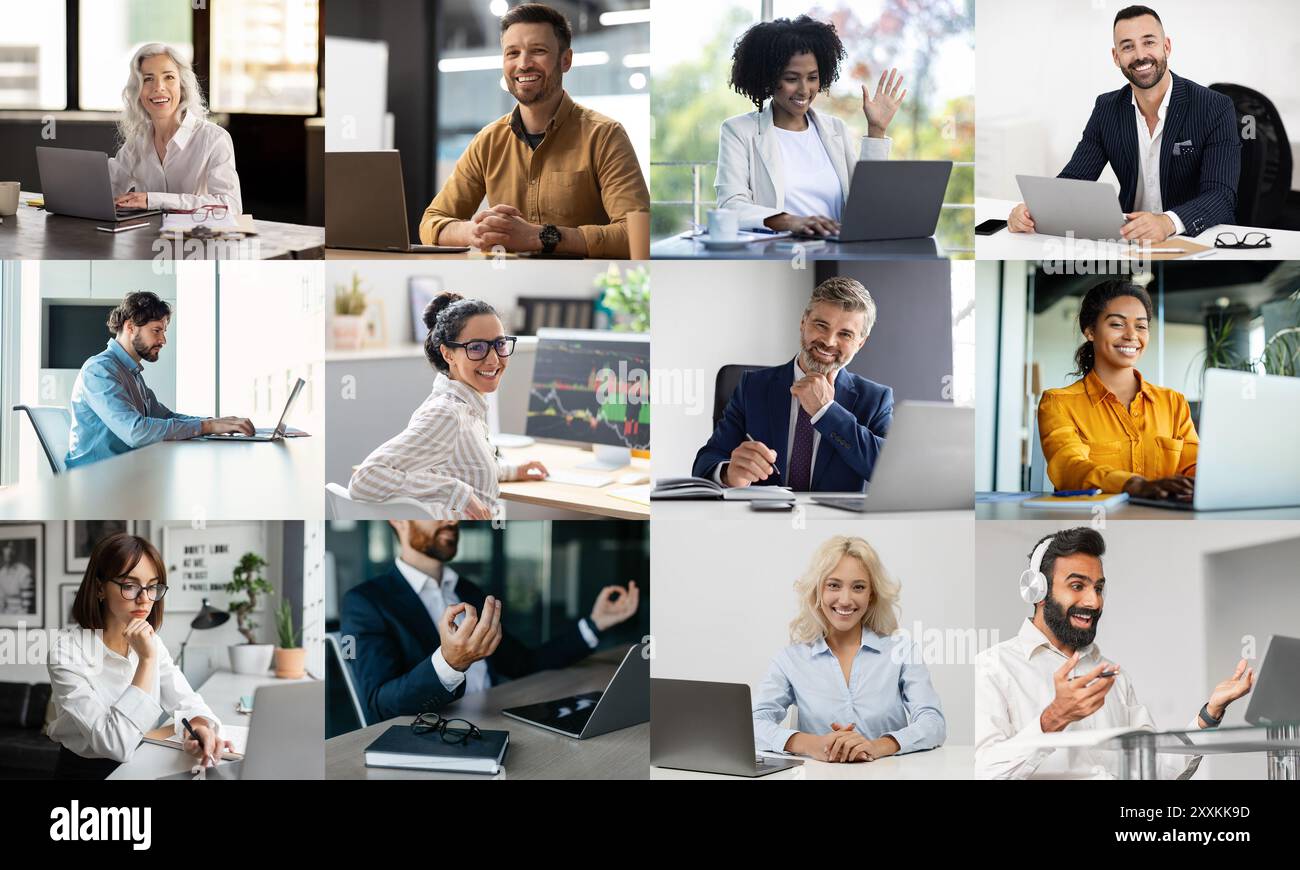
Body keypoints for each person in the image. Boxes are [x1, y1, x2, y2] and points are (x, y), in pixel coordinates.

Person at [974, 528, 1254, 779]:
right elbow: (985, 772)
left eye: (1098, 588)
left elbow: (1158, 771)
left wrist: (1210, 713)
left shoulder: (1114, 676)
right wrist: (1053, 719)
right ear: (1038, 590)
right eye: (1077, 586)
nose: (1093, 601)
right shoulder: (993, 668)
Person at [340, 520, 640, 722]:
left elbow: (524, 664)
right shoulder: (367, 602)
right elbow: (379, 705)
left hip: (499, 719)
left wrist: (596, 623)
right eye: (437, 508)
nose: (452, 519)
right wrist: (450, 663)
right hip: (436, 737)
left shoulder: (468, 590)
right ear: (398, 519)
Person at [419, 3, 649, 258]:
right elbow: (431, 223)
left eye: (538, 51)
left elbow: (636, 235)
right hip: (507, 285)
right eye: (512, 53)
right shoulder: (488, 141)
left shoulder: (605, 136)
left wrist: (541, 236)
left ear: (565, 60)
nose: (523, 64)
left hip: (583, 291)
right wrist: (475, 231)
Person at [1008, 5, 1239, 242]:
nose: (1140, 55)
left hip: (1197, 240)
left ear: (1166, 46)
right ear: (1116, 57)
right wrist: (1031, 210)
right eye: (1128, 46)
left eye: (1149, 42)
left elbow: (1220, 196)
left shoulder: (1214, 107)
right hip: (1129, 242)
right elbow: (1074, 180)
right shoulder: (1107, 109)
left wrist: (1166, 222)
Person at [348, 292, 551, 519]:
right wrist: (455, 493)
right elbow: (365, 478)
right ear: (447, 353)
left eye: (500, 344)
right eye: (476, 347)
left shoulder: (467, 406)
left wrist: (513, 471)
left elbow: (463, 468)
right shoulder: (446, 414)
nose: (494, 359)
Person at [47, 533, 230, 779]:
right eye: (130, 586)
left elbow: (186, 701)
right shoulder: (67, 651)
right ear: (100, 588)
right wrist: (146, 661)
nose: (144, 599)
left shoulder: (152, 643)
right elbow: (114, 744)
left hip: (141, 765)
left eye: (152, 586)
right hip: (86, 773)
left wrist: (198, 726)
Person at [753, 536, 945, 762]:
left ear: (871, 594)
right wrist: (812, 744)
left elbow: (933, 723)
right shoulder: (790, 659)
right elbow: (754, 724)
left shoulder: (901, 650)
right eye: (834, 585)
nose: (845, 600)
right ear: (818, 590)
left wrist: (878, 746)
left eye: (858, 587)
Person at [692, 276, 892, 492]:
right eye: (821, 325)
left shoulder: (875, 398)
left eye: (845, 334)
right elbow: (705, 463)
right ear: (803, 322)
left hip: (835, 524)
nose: (829, 341)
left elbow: (890, 470)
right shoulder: (752, 387)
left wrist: (826, 412)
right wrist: (729, 473)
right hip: (760, 521)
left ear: (860, 343)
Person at [715, 15, 906, 235]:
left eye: (812, 77)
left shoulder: (836, 129)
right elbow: (730, 207)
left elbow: (868, 205)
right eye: (791, 78)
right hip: (777, 256)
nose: (804, 90)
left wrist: (877, 130)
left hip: (836, 255)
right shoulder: (738, 131)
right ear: (768, 78)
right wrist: (790, 222)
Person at [1037, 279, 1197, 499]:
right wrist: (1133, 485)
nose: (1132, 335)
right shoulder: (1058, 403)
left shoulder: (1173, 402)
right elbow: (1069, 467)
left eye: (1141, 326)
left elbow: (1195, 466)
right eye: (1117, 324)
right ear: (1090, 331)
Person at [64, 292, 254, 470]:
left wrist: (215, 423)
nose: (163, 340)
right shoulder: (99, 370)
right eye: (156, 330)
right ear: (130, 327)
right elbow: (136, 431)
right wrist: (207, 427)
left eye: (163, 331)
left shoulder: (131, 373)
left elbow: (166, 417)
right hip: (95, 483)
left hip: (122, 475)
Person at [109, 43, 243, 215]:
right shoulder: (137, 142)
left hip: (196, 240)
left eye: (169, 77)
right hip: (146, 239)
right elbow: (107, 188)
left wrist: (154, 200)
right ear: (138, 91)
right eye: (148, 79)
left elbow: (231, 206)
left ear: (182, 85)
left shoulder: (214, 138)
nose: (158, 87)